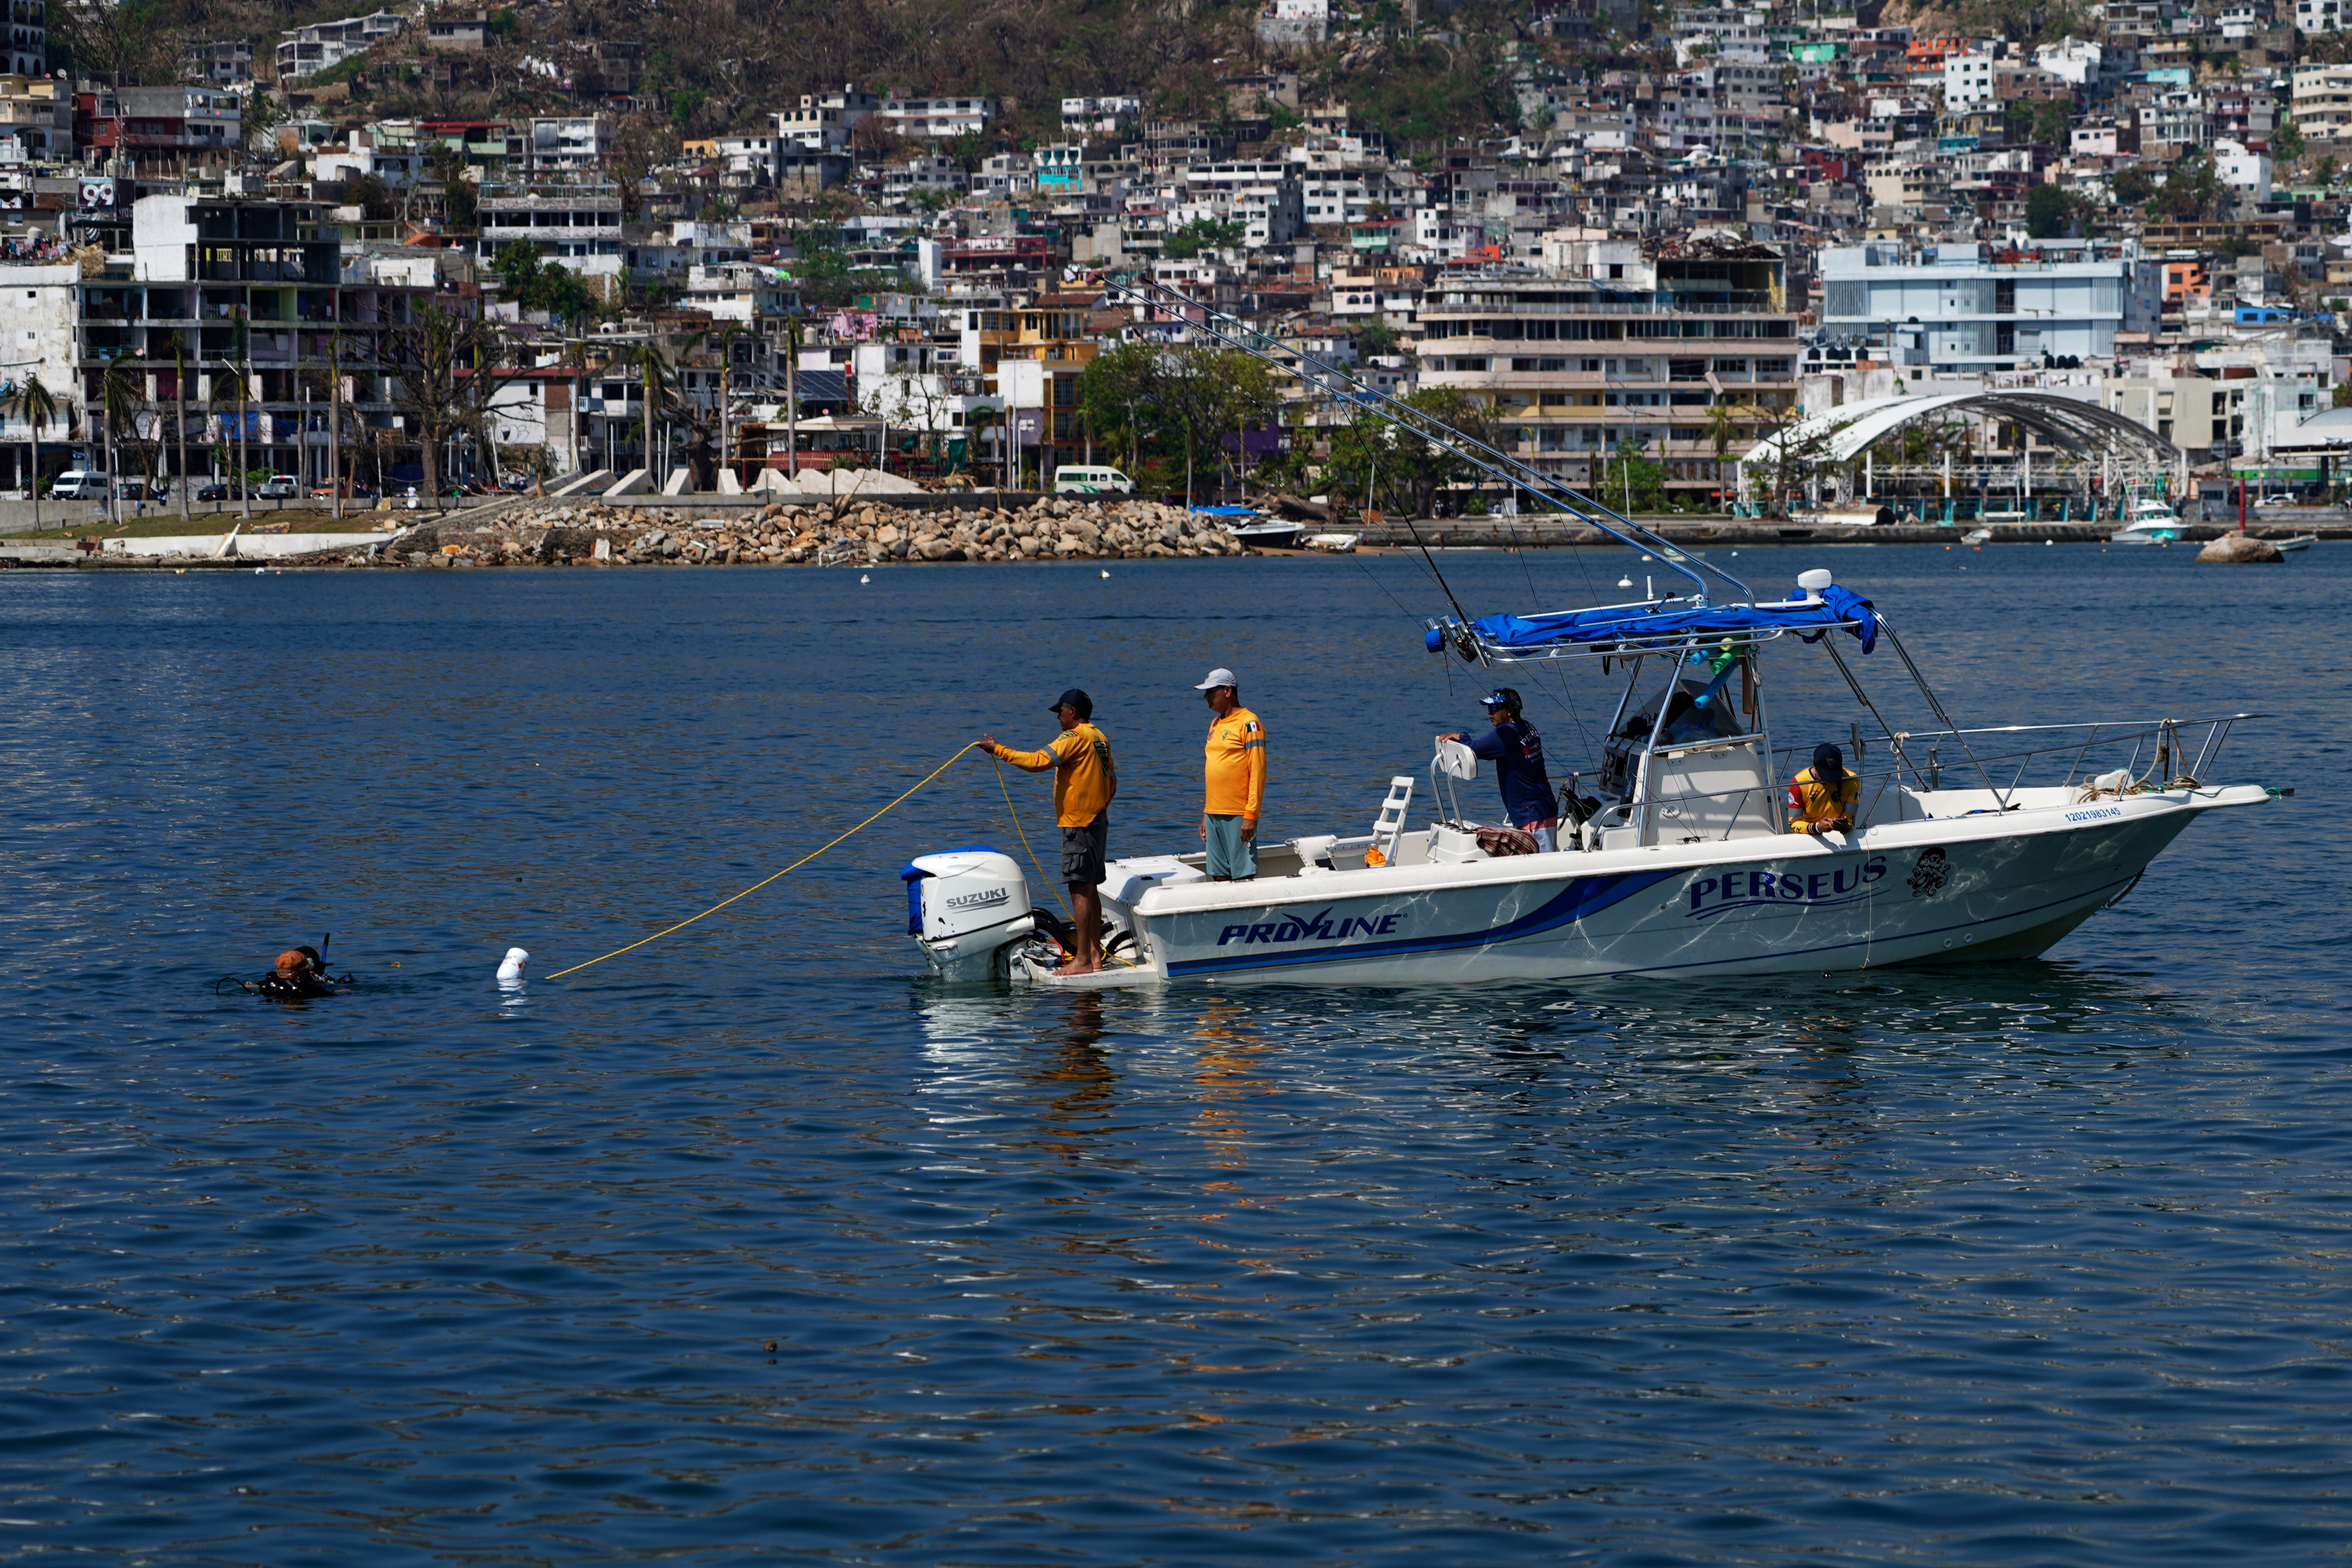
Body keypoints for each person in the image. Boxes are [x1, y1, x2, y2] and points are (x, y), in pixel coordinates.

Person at [983, 688, 1118, 975]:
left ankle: (1082, 960)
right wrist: (1099, 806)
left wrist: (998, 750)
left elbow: (1038, 761)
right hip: (1098, 821)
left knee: (1079, 887)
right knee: (1091, 887)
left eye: (1061, 711)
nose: (1058, 717)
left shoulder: (1074, 737)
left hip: (1079, 824)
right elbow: (1112, 781)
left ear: (1074, 712)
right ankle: (1094, 955)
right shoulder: (1101, 738)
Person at [1440, 688, 1562, 852]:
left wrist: (1461, 735)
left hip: (1533, 815)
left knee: (1543, 865)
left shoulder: (1505, 733)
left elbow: (1472, 749)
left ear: (1510, 711)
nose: (1489, 713)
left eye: (1494, 708)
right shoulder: (1528, 727)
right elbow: (1503, 754)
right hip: (1542, 808)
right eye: (1488, 708)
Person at [1194, 666, 1266, 882]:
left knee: (1243, 878)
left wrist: (1250, 816)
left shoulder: (1249, 723)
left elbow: (1258, 771)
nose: (1206, 696)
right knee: (1219, 877)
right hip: (1214, 813)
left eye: (1211, 691)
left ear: (1227, 691)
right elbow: (1215, 770)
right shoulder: (1215, 723)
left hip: (1238, 814)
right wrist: (1206, 813)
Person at [1789, 742, 1860, 835]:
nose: (1831, 781)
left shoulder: (1852, 780)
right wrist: (1817, 828)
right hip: (1810, 835)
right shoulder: (1799, 783)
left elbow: (1851, 818)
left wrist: (1846, 827)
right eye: (1826, 775)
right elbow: (1794, 824)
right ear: (1815, 766)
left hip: (1838, 834)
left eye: (1834, 775)